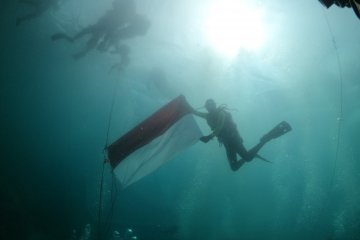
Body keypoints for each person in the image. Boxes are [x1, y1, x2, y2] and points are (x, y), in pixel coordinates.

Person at [192, 99, 292, 171]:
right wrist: (184, 104)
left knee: (248, 158)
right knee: (234, 167)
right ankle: (251, 154)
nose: (210, 107)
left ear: (214, 105)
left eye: (211, 105)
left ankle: (266, 139)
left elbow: (219, 127)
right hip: (227, 144)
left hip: (234, 139)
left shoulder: (221, 113)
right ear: (206, 107)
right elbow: (194, 112)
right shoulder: (207, 116)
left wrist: (209, 137)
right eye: (208, 106)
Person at [51, 0, 149, 59]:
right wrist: (108, 45)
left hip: (106, 24)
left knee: (93, 33)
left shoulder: (130, 14)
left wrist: (109, 45)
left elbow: (116, 32)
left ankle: (79, 46)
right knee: (95, 35)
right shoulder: (130, 12)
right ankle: (81, 49)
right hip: (107, 23)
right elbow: (116, 33)